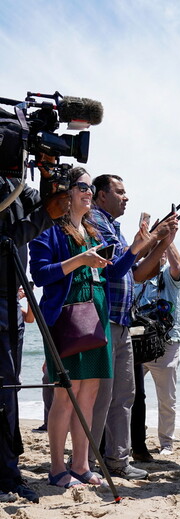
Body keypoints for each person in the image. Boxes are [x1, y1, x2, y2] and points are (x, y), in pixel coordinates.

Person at [29, 167, 149, 488]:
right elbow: (40, 275)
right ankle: (57, 468)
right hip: (66, 317)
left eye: (88, 188)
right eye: (81, 186)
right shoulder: (49, 232)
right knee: (65, 395)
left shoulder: (95, 234)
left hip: (97, 317)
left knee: (90, 394)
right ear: (65, 193)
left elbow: (113, 272)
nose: (88, 192)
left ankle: (81, 465)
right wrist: (80, 260)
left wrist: (136, 247)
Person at [89, 174, 176, 480]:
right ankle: (91, 461)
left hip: (123, 321)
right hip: (105, 320)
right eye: (119, 192)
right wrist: (150, 238)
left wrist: (162, 241)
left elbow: (136, 275)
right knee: (103, 395)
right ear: (101, 195)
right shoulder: (95, 221)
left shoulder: (115, 227)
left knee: (125, 394)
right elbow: (113, 271)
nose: (126, 197)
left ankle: (118, 460)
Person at [0, 153, 67, 503]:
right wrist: (44, 215)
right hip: (4, 297)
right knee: (3, 390)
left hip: (11, 298)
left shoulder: (16, 187)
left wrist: (49, 176)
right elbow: (9, 238)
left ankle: (9, 474)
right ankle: (7, 475)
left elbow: (49, 209)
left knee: (9, 392)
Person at [130, 241, 180, 461]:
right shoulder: (136, 276)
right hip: (138, 343)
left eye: (161, 253)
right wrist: (146, 242)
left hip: (167, 344)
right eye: (154, 252)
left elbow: (178, 266)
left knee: (166, 398)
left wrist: (168, 240)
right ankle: (135, 437)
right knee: (130, 395)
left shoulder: (168, 277)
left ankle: (166, 442)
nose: (158, 255)